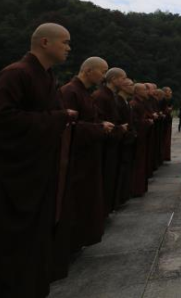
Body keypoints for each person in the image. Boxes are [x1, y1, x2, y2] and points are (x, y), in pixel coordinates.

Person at [0, 23, 77, 298]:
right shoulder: (16, 74)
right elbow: (3, 119)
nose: (68, 48)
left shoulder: (46, 76)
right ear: (45, 42)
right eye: (64, 42)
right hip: (17, 174)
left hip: (40, 169)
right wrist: (58, 117)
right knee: (16, 238)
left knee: (36, 237)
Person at [57, 57, 114, 262]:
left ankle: (78, 239)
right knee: (74, 200)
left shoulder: (84, 93)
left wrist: (100, 124)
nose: (104, 76)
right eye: (102, 71)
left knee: (85, 200)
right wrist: (98, 128)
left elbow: (86, 120)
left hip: (88, 155)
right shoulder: (69, 92)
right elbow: (66, 126)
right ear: (88, 70)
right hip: (75, 158)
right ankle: (69, 243)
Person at [93, 67, 128, 216]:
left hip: (113, 142)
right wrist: (119, 129)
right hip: (105, 145)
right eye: (123, 78)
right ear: (113, 79)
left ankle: (107, 208)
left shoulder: (111, 96)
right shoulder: (101, 96)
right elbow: (99, 121)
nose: (125, 81)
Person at [114, 77, 136, 206]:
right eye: (130, 84)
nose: (132, 87)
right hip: (121, 141)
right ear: (122, 87)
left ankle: (123, 195)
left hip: (128, 139)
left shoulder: (126, 102)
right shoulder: (118, 102)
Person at [130, 83, 153, 196]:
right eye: (144, 90)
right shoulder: (135, 104)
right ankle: (136, 189)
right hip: (137, 137)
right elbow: (135, 122)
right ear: (137, 91)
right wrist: (147, 122)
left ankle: (139, 187)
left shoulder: (141, 103)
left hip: (143, 137)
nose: (147, 91)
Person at [161, 86, 173, 161]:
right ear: (164, 92)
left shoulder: (169, 100)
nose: (171, 92)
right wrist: (168, 110)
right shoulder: (162, 100)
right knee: (165, 140)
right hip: (164, 122)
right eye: (169, 91)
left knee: (167, 140)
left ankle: (166, 155)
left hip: (167, 121)